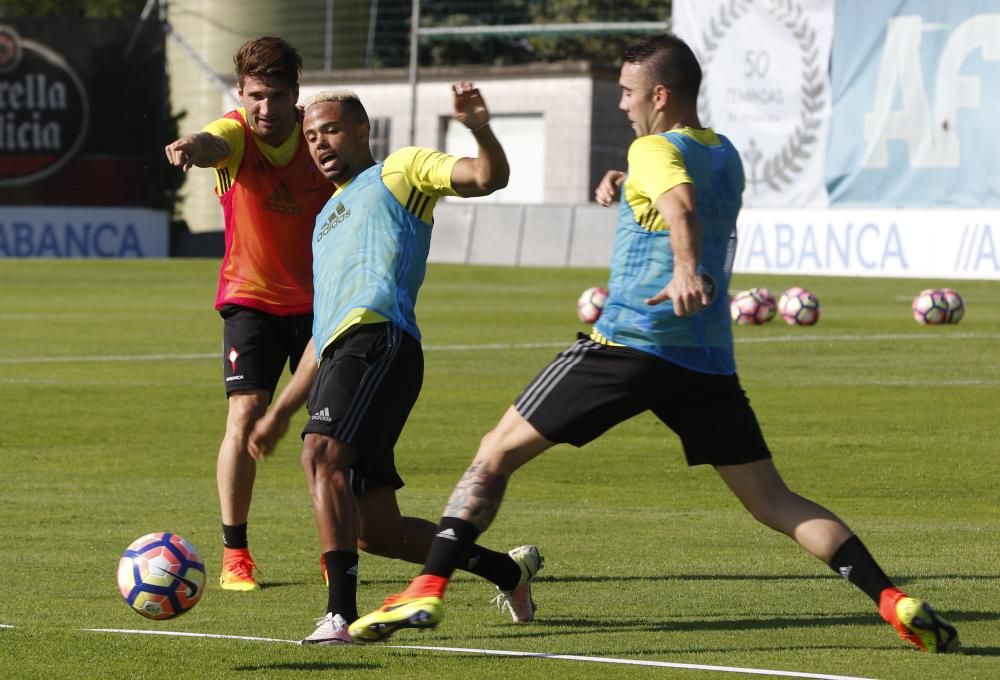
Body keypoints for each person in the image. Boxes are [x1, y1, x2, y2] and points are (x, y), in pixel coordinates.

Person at [348, 33, 961, 654]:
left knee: (494, 453)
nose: (621, 104)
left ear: (660, 96)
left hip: (630, 344)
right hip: (707, 360)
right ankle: (894, 600)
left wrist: (686, 268)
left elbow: (682, 206)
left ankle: (427, 586)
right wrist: (628, 184)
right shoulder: (724, 153)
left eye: (627, 92)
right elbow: (682, 190)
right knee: (774, 500)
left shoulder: (652, 148)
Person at [246, 83, 542, 645]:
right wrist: (281, 410)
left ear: (362, 132)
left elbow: (486, 178)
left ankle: (339, 615)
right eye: (310, 136)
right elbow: (321, 331)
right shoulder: (325, 216)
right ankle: (508, 571)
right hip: (341, 356)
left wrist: (478, 127)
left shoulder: (400, 172)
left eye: (330, 130)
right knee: (378, 532)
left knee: (321, 456)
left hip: (380, 343)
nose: (319, 143)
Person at [164, 37, 331, 591]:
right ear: (241, 93)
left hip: (320, 306)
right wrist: (192, 144)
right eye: (256, 95)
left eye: (276, 96)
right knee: (244, 415)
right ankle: (237, 553)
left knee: (330, 434)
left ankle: (337, 550)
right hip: (250, 300)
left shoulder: (317, 136)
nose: (265, 108)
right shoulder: (234, 134)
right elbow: (214, 141)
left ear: (295, 96)